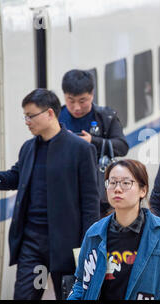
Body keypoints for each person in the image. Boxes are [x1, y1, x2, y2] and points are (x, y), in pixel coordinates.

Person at [0, 89, 100, 300]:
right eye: (25, 116)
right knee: (25, 295)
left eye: (30, 115)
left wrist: (89, 246)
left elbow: (90, 202)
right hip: (32, 244)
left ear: (50, 113)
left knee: (69, 296)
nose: (27, 121)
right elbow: (17, 176)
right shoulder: (28, 148)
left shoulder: (80, 149)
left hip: (66, 244)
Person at [68, 159, 160, 300]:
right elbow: (81, 282)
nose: (117, 189)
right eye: (112, 183)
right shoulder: (94, 234)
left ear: (143, 190)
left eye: (126, 183)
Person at [59, 69, 129, 216]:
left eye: (82, 101)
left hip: (99, 196)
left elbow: (122, 147)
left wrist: (92, 142)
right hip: (65, 193)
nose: (77, 107)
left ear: (92, 94)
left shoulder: (106, 116)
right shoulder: (56, 118)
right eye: (70, 101)